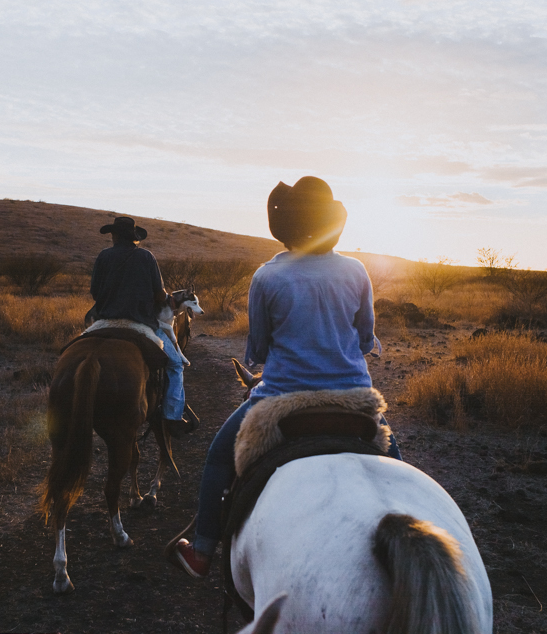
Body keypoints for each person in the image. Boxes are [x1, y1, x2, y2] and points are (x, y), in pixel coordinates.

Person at [171, 176, 401, 578]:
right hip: (354, 397)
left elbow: (257, 350)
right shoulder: (356, 270)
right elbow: (366, 338)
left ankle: (202, 551)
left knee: (218, 458)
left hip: (280, 397)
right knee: (398, 467)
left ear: (285, 227)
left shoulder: (267, 277)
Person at [89, 216, 193, 436]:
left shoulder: (103, 256)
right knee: (175, 365)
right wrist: (164, 297)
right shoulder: (146, 257)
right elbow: (158, 294)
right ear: (134, 238)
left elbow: (95, 293)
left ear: (114, 235)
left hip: (104, 322)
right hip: (140, 324)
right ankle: (173, 416)